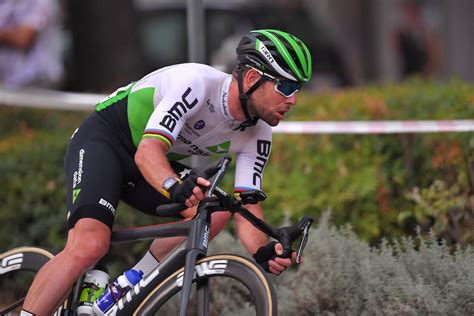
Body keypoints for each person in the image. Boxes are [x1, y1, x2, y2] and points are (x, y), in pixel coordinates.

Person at [21, 29, 313, 315]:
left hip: (148, 163)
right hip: (105, 142)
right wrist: (173, 184)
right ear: (252, 78)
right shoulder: (197, 83)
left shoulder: (259, 133)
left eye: (297, 89)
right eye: (286, 87)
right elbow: (148, 151)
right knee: (90, 245)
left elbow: (247, 204)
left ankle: (124, 287)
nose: (293, 100)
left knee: (216, 207)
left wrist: (262, 249)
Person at [0, 0, 63, 89]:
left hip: (38, 79)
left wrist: (6, 34)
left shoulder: (42, 2)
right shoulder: (7, 4)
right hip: (9, 81)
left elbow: (22, 38)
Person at [393, 0, 441, 80]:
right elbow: (396, 50)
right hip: (407, 73)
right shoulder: (402, 31)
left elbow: (434, 54)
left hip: (423, 72)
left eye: (412, 10)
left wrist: (429, 70)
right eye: (407, 10)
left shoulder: (426, 29)